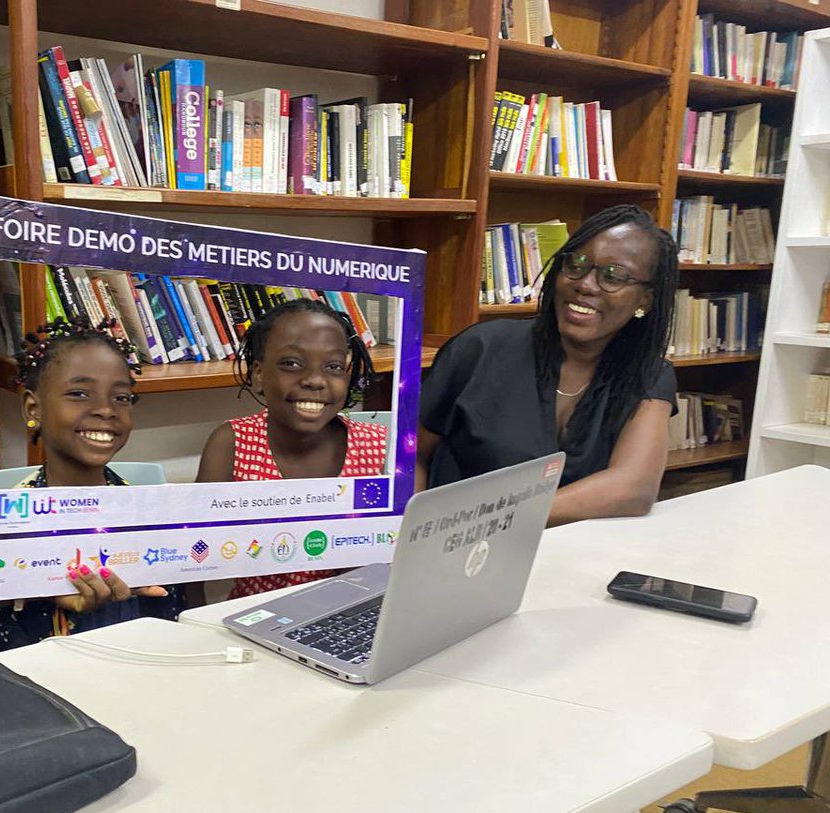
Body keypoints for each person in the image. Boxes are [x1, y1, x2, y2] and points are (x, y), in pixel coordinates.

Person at [415, 204, 678, 526]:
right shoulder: (480, 348)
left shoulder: (648, 375)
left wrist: (490, 517)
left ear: (645, 300)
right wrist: (414, 534)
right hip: (454, 552)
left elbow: (633, 487)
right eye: (577, 264)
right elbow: (410, 454)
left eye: (613, 276)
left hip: (565, 557)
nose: (586, 284)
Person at [0, 320, 182, 651]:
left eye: (121, 397)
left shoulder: (149, 515)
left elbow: (167, 621)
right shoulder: (6, 519)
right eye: (79, 394)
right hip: (28, 679)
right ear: (33, 408)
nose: (105, 410)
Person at [196, 298, 384, 598]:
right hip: (253, 618)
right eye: (292, 364)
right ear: (258, 374)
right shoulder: (231, 444)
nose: (314, 380)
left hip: (350, 614)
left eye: (333, 366)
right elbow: (194, 552)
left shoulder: (381, 449)